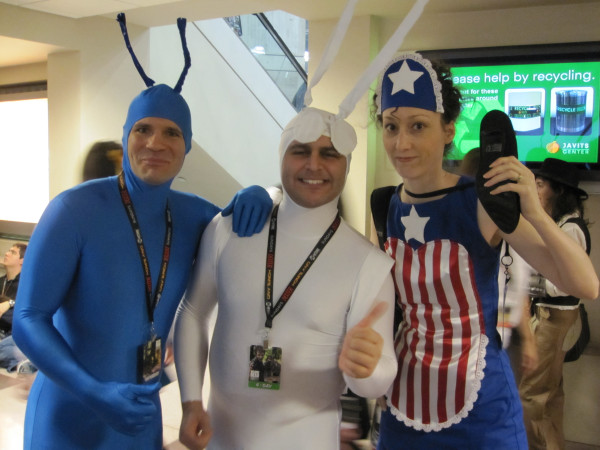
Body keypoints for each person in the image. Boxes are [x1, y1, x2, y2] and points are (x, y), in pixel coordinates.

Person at [12, 15, 272, 450]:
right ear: (126, 136)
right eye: (143, 129)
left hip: (138, 416)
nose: (155, 143)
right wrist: (93, 390)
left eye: (171, 132)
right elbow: (27, 319)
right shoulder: (73, 210)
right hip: (68, 414)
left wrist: (263, 192)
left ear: (187, 145)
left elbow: (255, 229)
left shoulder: (194, 215)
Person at [370, 53, 598, 449]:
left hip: (482, 414)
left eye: (418, 126)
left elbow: (585, 285)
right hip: (405, 406)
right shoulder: (384, 205)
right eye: (391, 126)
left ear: (448, 129)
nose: (401, 143)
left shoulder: (479, 204)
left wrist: (534, 211)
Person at [174, 106, 398, 450]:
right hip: (221, 437)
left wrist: (366, 369)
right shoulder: (231, 228)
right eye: (300, 151)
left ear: (347, 164)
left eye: (329, 154)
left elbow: (379, 377)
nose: (313, 165)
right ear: (281, 157)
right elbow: (193, 311)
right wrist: (190, 401)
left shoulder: (369, 265)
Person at [519, 157, 593, 450]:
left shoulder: (569, 228)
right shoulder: (560, 223)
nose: (535, 190)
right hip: (555, 314)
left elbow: (564, 283)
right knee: (551, 392)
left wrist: (525, 285)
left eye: (540, 185)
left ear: (558, 190)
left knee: (531, 393)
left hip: (555, 316)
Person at [0, 243, 33, 373]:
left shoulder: (27, 284)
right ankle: (19, 364)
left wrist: (10, 303)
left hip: (15, 333)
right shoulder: (1, 282)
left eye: (13, 252)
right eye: (8, 250)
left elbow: (25, 310)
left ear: (22, 261)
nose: (7, 253)